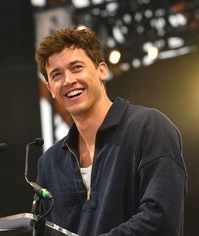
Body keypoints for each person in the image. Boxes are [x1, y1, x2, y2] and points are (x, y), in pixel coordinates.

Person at [35, 26, 188, 236]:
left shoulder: (149, 127)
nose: (68, 80)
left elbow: (161, 221)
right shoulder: (49, 163)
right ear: (51, 88)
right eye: (56, 75)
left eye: (77, 67)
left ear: (101, 70)